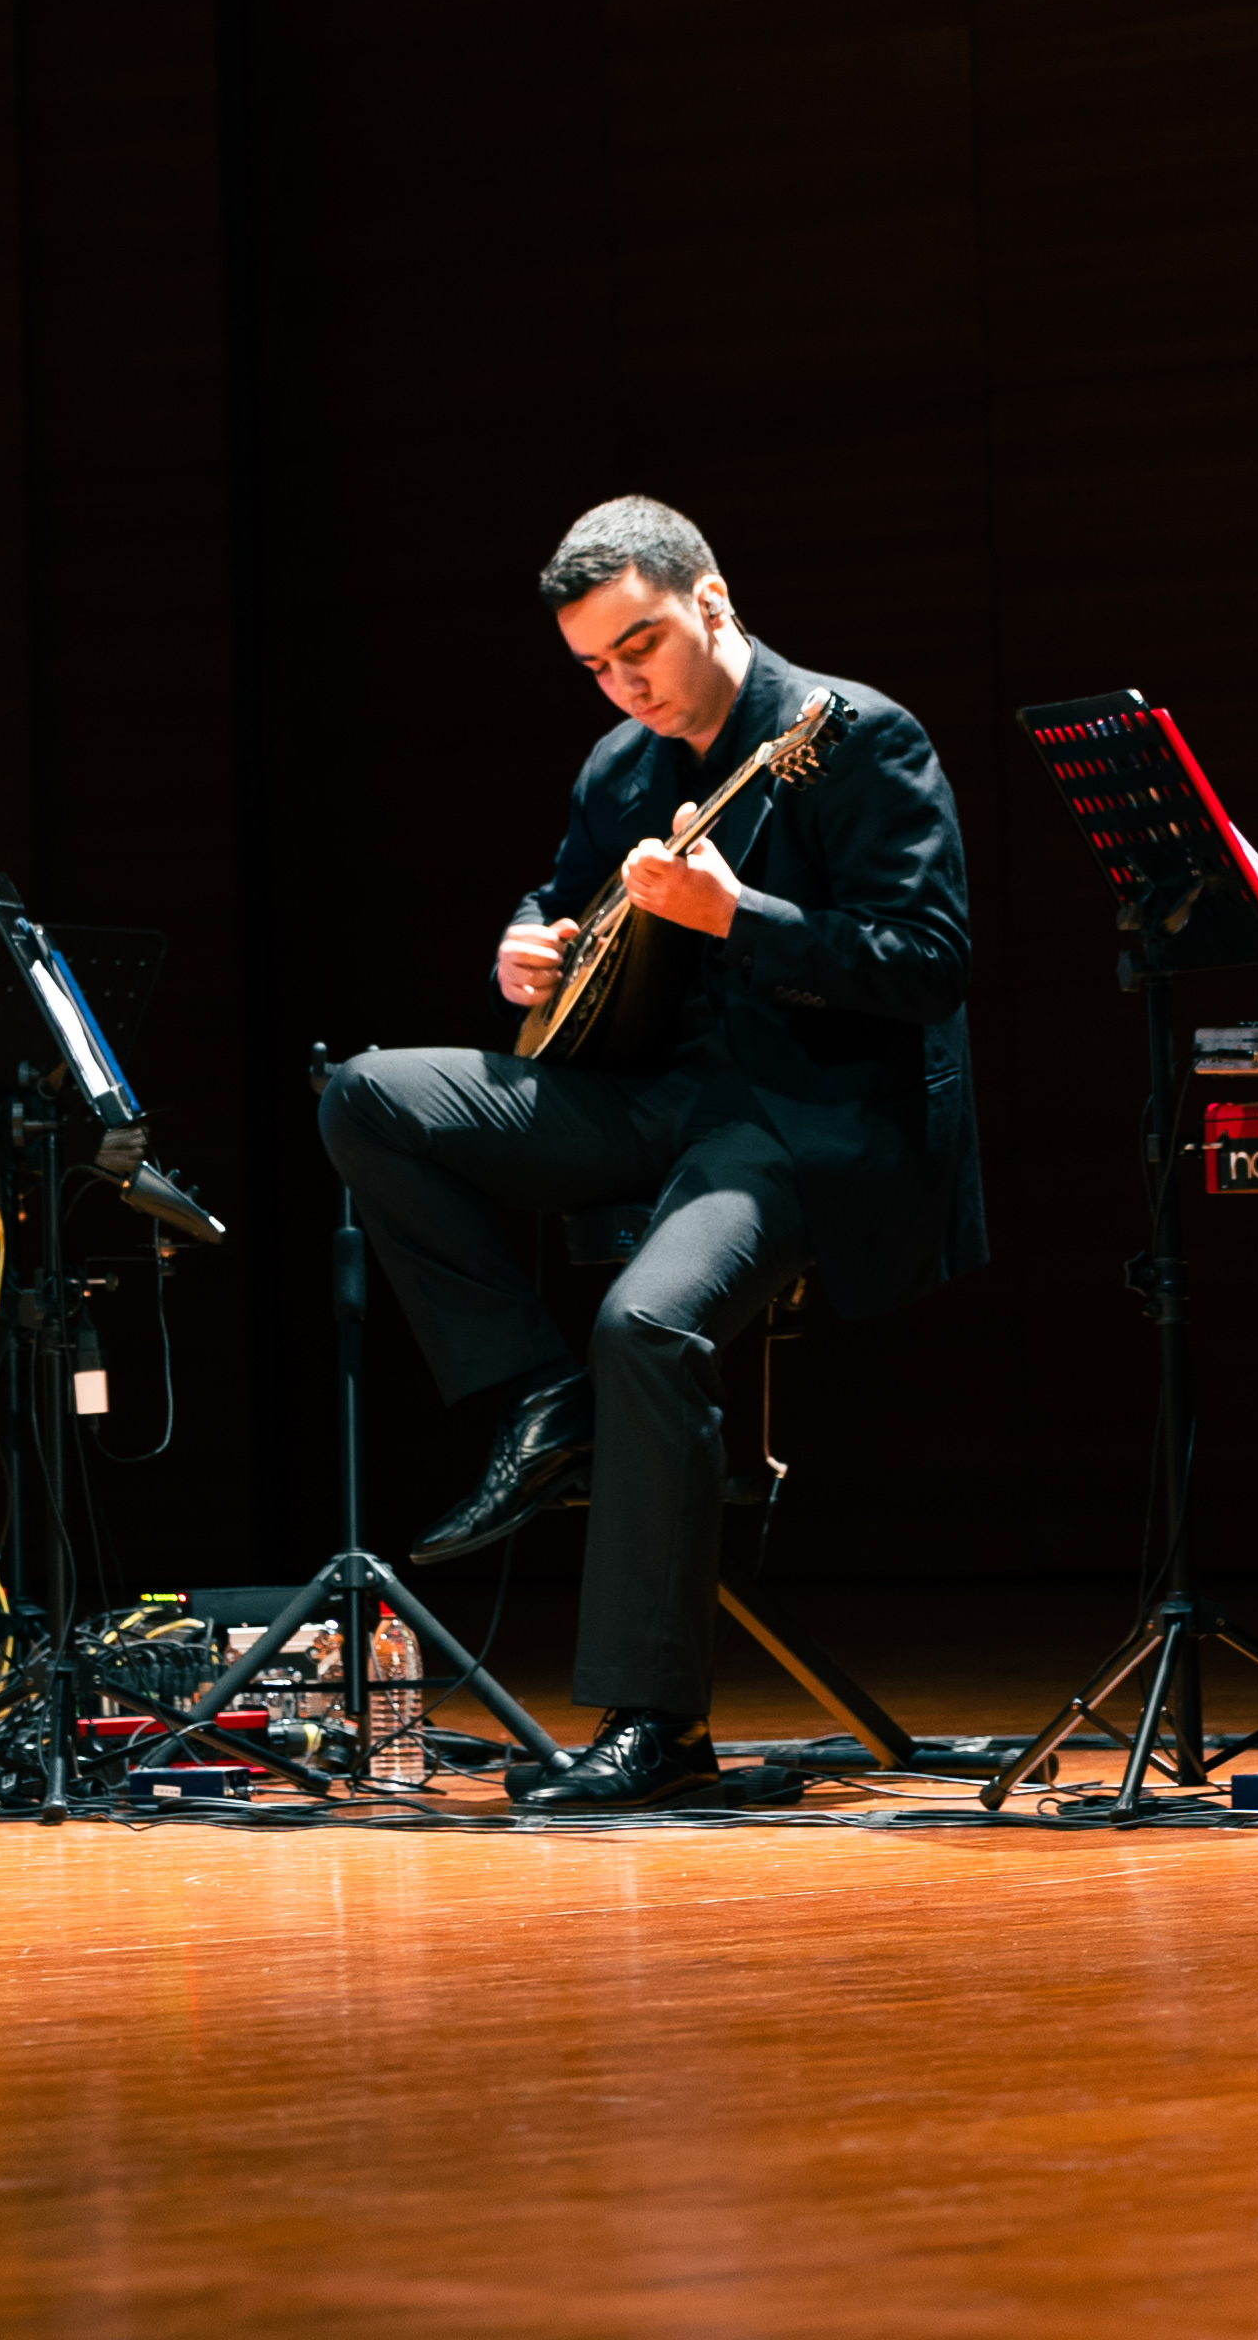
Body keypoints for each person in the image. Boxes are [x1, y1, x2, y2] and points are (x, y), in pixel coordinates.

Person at [316, 498, 982, 1813]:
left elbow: (929, 964)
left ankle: (656, 1728)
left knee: (648, 1324)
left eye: (642, 649)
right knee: (364, 1096)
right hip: (643, 1101)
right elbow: (562, 891)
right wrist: (525, 943)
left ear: (712, 602)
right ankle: (536, 1394)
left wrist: (744, 919)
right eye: (596, 668)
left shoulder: (856, 736)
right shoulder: (622, 763)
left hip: (796, 1121)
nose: (627, 686)